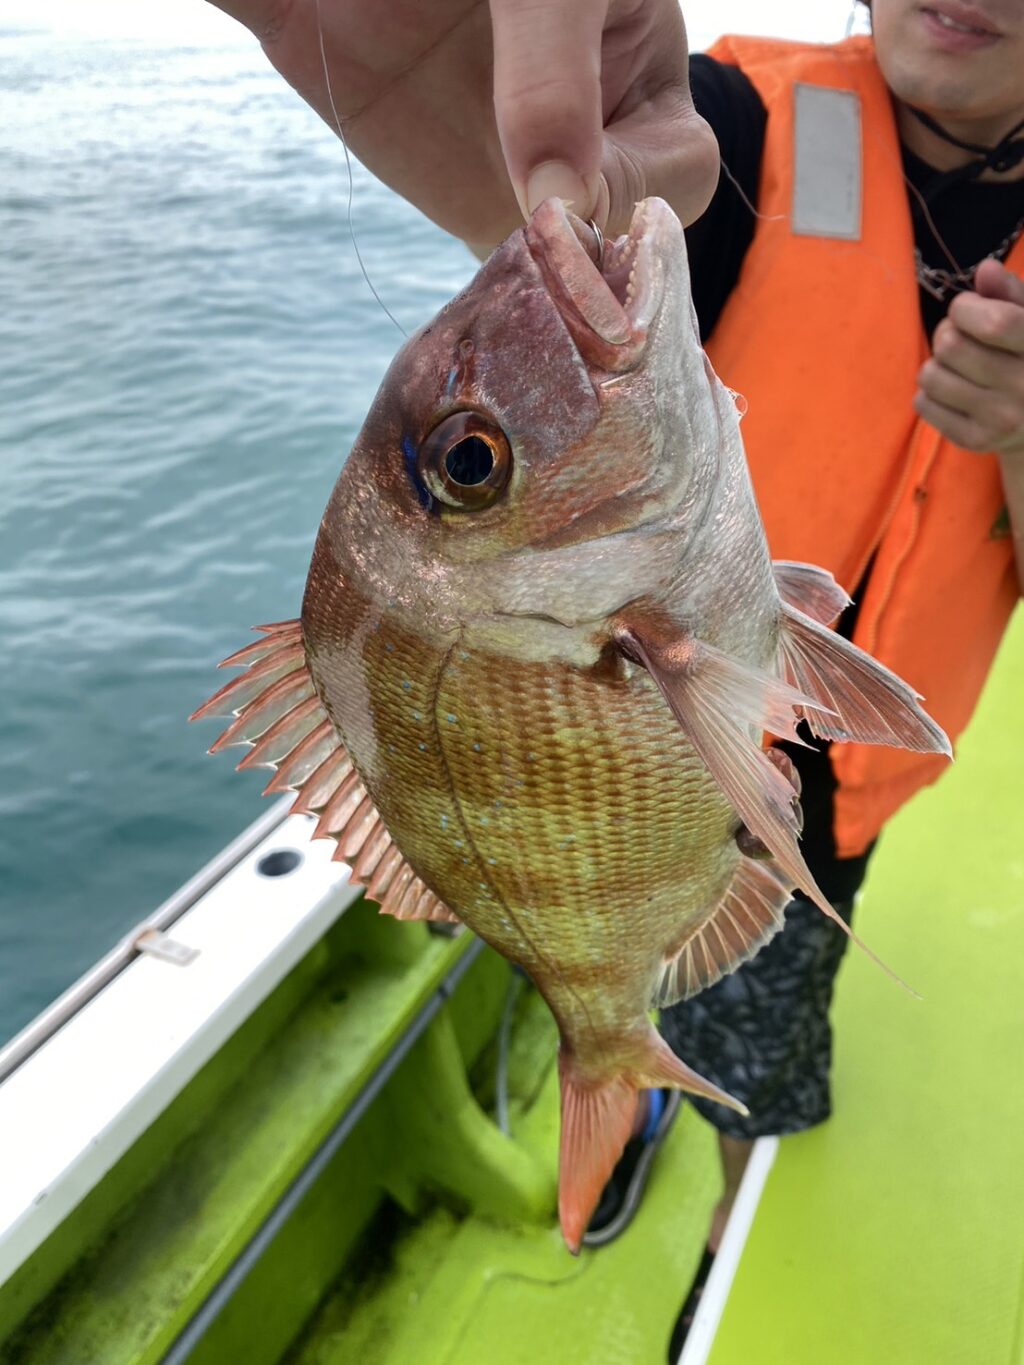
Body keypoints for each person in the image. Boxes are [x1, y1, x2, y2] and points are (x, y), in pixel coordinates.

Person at [211, 0, 1023, 1349]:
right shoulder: (735, 130)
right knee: (684, 986)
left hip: (834, 793)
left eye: (473, 462)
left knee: (765, 1038)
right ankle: (632, 1070)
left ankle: (713, 1150)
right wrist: (530, 169)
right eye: (475, 466)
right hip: (660, 775)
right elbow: (583, 199)